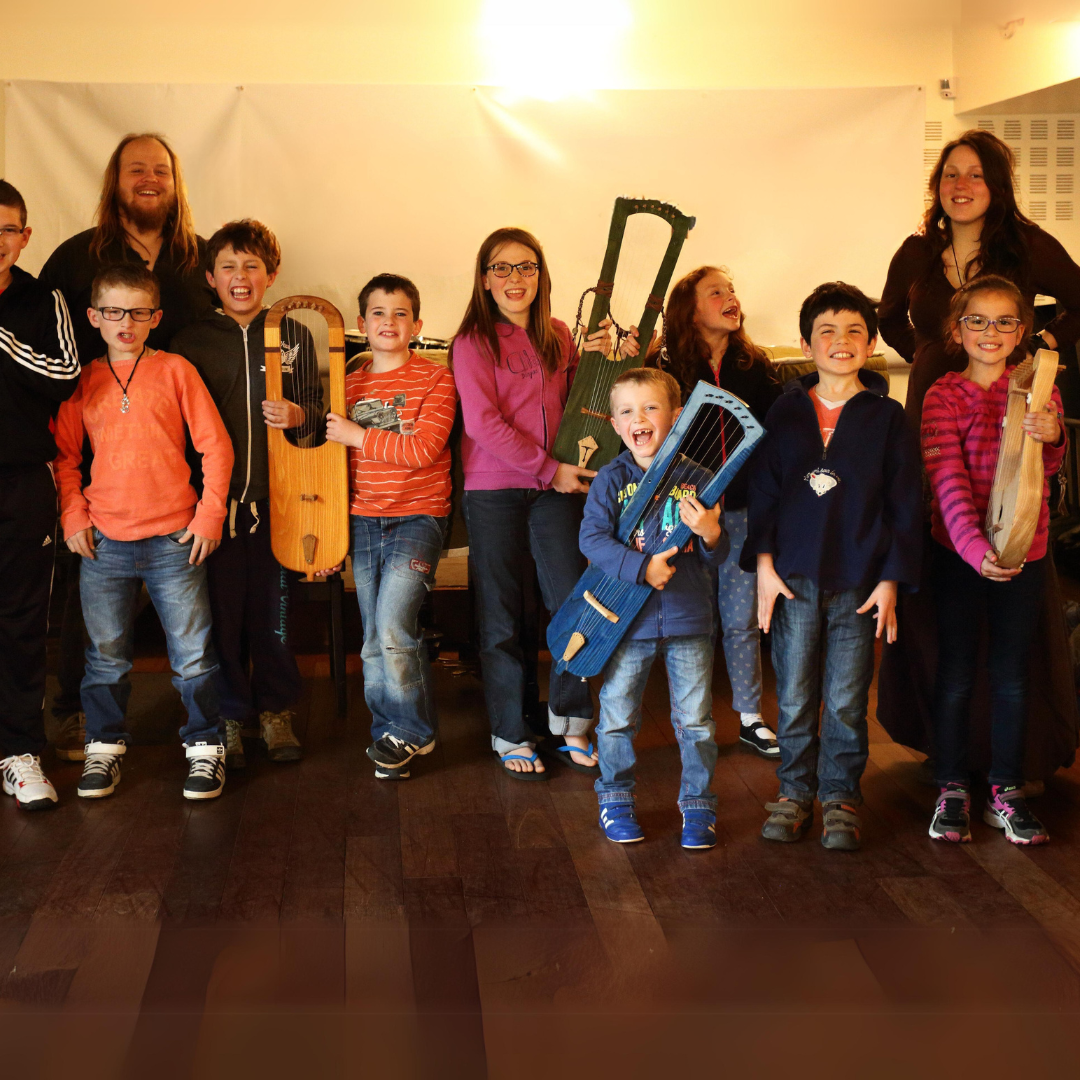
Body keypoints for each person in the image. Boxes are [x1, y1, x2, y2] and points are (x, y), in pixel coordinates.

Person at [877, 128, 1080, 782]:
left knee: (1010, 539)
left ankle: (1013, 757)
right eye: (949, 174)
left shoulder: (1026, 244)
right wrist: (931, 354)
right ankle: (944, 747)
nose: (960, 186)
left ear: (996, 184)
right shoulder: (917, 250)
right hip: (937, 407)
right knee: (942, 539)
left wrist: (1041, 346)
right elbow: (887, 315)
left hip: (1009, 406)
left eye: (974, 175)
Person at [41, 132, 215, 761]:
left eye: (160, 170)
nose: (149, 179)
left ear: (175, 181)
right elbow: (47, 344)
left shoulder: (200, 256)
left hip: (187, 449)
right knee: (90, 602)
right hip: (97, 455)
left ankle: (213, 724)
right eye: (136, 169)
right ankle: (75, 714)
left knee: (196, 610)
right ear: (115, 180)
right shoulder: (75, 256)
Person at [744, 282, 922, 851]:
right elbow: (764, 493)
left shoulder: (887, 417)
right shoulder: (785, 411)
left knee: (846, 698)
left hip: (860, 584)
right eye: (827, 331)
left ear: (871, 345)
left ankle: (841, 796)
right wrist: (764, 566)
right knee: (795, 696)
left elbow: (905, 505)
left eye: (853, 332)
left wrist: (891, 579)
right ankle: (795, 791)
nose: (840, 341)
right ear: (806, 344)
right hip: (793, 578)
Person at [452, 226, 629, 779]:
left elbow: (581, 405)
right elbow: (482, 423)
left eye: (526, 266)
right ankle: (510, 731)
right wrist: (549, 469)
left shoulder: (557, 333)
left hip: (556, 489)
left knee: (574, 602)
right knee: (501, 614)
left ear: (540, 275)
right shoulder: (471, 342)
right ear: (485, 279)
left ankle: (570, 721)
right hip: (495, 489)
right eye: (501, 268)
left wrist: (604, 360)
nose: (515, 278)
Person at [54, 264, 233, 800]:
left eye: (137, 312)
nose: (125, 323)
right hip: (103, 540)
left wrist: (209, 515)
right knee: (105, 655)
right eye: (113, 312)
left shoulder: (176, 370)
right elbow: (65, 458)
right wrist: (73, 515)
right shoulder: (82, 380)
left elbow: (215, 447)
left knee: (193, 654)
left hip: (175, 537)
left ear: (155, 317)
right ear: (94, 317)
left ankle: (205, 749)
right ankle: (104, 747)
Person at [171, 220, 322, 767]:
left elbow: (320, 417)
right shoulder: (188, 342)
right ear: (210, 277)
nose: (241, 277)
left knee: (274, 617)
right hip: (213, 511)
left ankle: (276, 710)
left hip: (279, 506)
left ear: (271, 275)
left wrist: (300, 415)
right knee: (221, 617)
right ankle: (230, 715)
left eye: (252, 266)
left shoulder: (294, 335)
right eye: (228, 267)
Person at [923, 276, 1065, 846]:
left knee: (1011, 674)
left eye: (1005, 321)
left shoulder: (1040, 386)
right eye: (977, 320)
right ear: (957, 330)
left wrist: (1052, 436)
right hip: (958, 556)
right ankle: (951, 786)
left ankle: (1005, 789)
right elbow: (947, 482)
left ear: (1022, 330)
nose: (991, 331)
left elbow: (1043, 473)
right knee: (956, 672)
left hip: (1025, 554)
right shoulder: (942, 395)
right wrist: (977, 551)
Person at [581, 367, 730, 849]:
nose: (638, 418)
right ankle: (616, 799)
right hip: (627, 622)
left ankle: (699, 806)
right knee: (618, 717)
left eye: (650, 408)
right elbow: (592, 540)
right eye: (627, 411)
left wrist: (711, 533)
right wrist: (641, 568)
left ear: (677, 416)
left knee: (696, 722)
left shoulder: (699, 479)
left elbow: (716, 554)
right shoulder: (611, 479)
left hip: (690, 619)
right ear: (614, 423)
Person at [323, 273, 456, 779]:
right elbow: (330, 462)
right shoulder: (348, 384)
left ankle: (411, 731)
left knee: (395, 626)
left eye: (401, 313)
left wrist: (357, 435)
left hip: (418, 516)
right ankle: (392, 732)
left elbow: (423, 450)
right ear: (362, 323)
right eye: (378, 313)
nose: (389, 322)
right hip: (361, 520)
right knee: (373, 635)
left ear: (416, 326)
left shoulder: (436, 379)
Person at [649, 266, 782, 758]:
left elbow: (775, 439)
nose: (731, 298)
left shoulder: (756, 365)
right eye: (716, 292)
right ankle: (694, 719)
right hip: (686, 515)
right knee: (694, 620)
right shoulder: (664, 366)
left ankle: (750, 718)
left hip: (743, 511)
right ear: (689, 311)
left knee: (741, 619)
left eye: (732, 290)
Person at [0, 179, 80, 809]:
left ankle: (19, 750)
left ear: (25, 237)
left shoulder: (43, 299)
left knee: (21, 620)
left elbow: (64, 376)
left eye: (7, 229)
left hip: (22, 480)